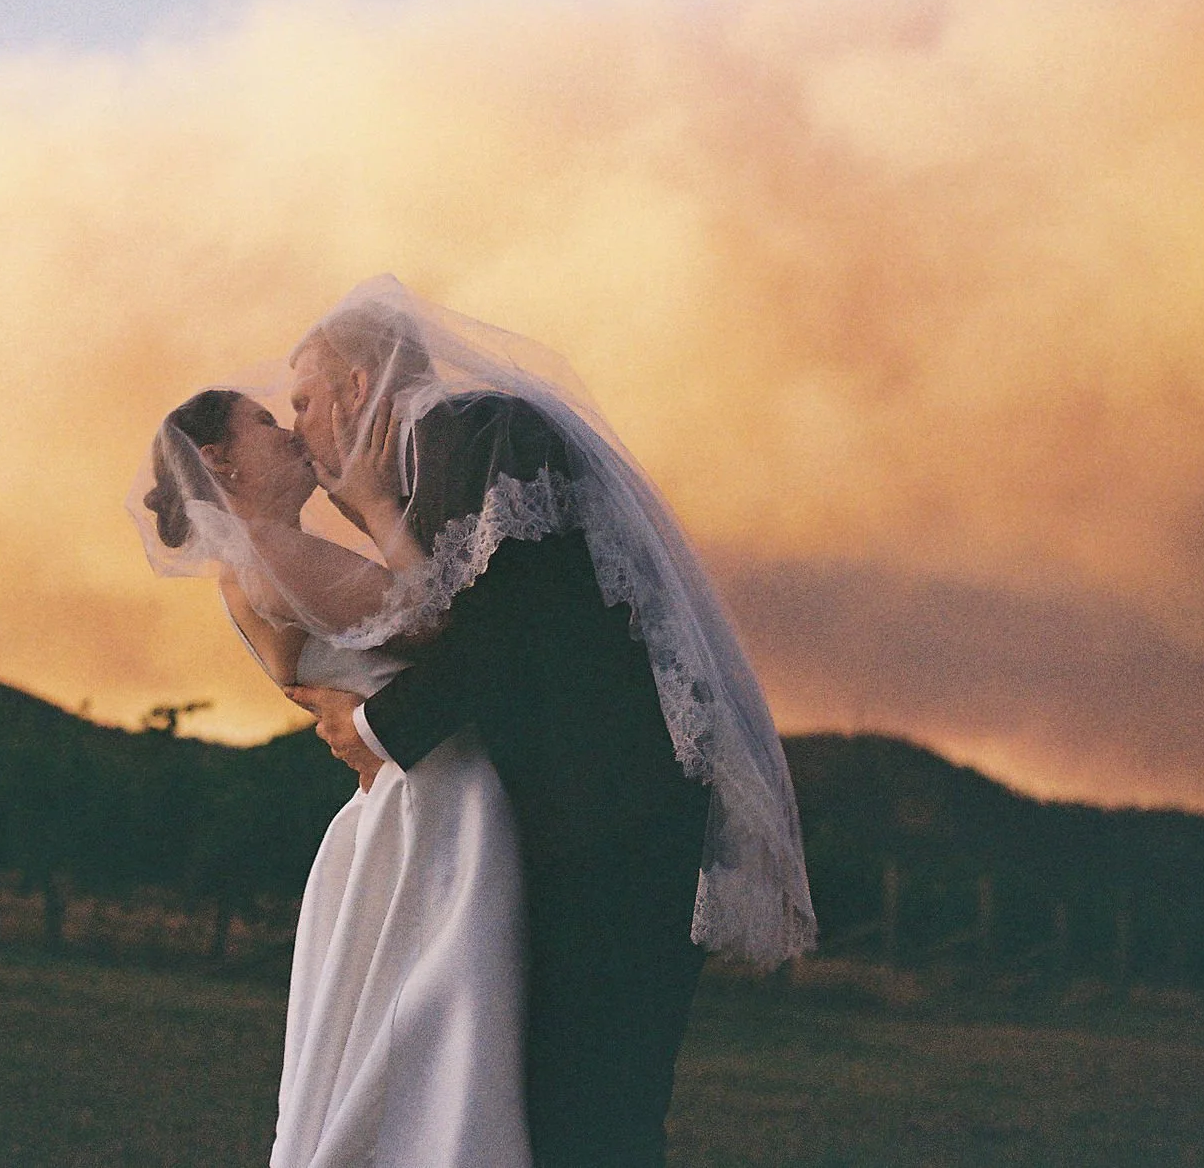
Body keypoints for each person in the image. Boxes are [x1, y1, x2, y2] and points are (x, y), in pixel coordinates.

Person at [277, 277, 818, 1168]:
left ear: (357, 386)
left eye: (303, 401)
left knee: (594, 1113)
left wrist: (371, 728)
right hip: (590, 824)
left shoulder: (470, 434)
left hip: (614, 826)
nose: (295, 428)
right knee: (569, 1110)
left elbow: (504, 633)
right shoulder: (431, 463)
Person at [132, 388, 533, 1168]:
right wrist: (377, 505)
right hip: (439, 800)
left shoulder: (250, 562)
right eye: (263, 422)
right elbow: (429, 617)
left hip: (401, 796)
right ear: (218, 460)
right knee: (446, 1042)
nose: (288, 432)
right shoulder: (269, 551)